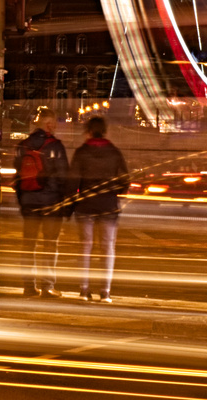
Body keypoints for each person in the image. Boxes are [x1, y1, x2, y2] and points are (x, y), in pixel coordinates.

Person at [12, 107, 71, 297]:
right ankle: (47, 286)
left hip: (28, 201)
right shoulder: (55, 146)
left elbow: (17, 174)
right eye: (53, 123)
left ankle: (28, 286)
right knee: (49, 244)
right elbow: (63, 176)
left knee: (28, 245)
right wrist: (64, 201)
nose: (54, 127)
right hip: (50, 203)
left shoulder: (23, 145)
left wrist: (23, 198)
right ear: (49, 124)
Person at [70, 116, 129, 303]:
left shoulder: (81, 152)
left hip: (86, 205)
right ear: (105, 131)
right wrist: (114, 192)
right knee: (107, 247)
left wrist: (74, 200)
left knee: (85, 247)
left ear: (88, 131)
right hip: (108, 205)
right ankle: (105, 292)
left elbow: (72, 180)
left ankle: (84, 290)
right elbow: (124, 179)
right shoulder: (114, 152)